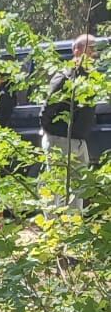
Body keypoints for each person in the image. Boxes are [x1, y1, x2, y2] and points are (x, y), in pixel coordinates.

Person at [42, 33, 98, 201]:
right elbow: (46, 110)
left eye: (96, 50)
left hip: (80, 141)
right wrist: (57, 135)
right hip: (61, 141)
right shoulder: (65, 77)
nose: (95, 54)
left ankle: (75, 225)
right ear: (77, 51)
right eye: (91, 49)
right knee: (57, 188)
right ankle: (55, 226)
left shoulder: (90, 78)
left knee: (79, 190)